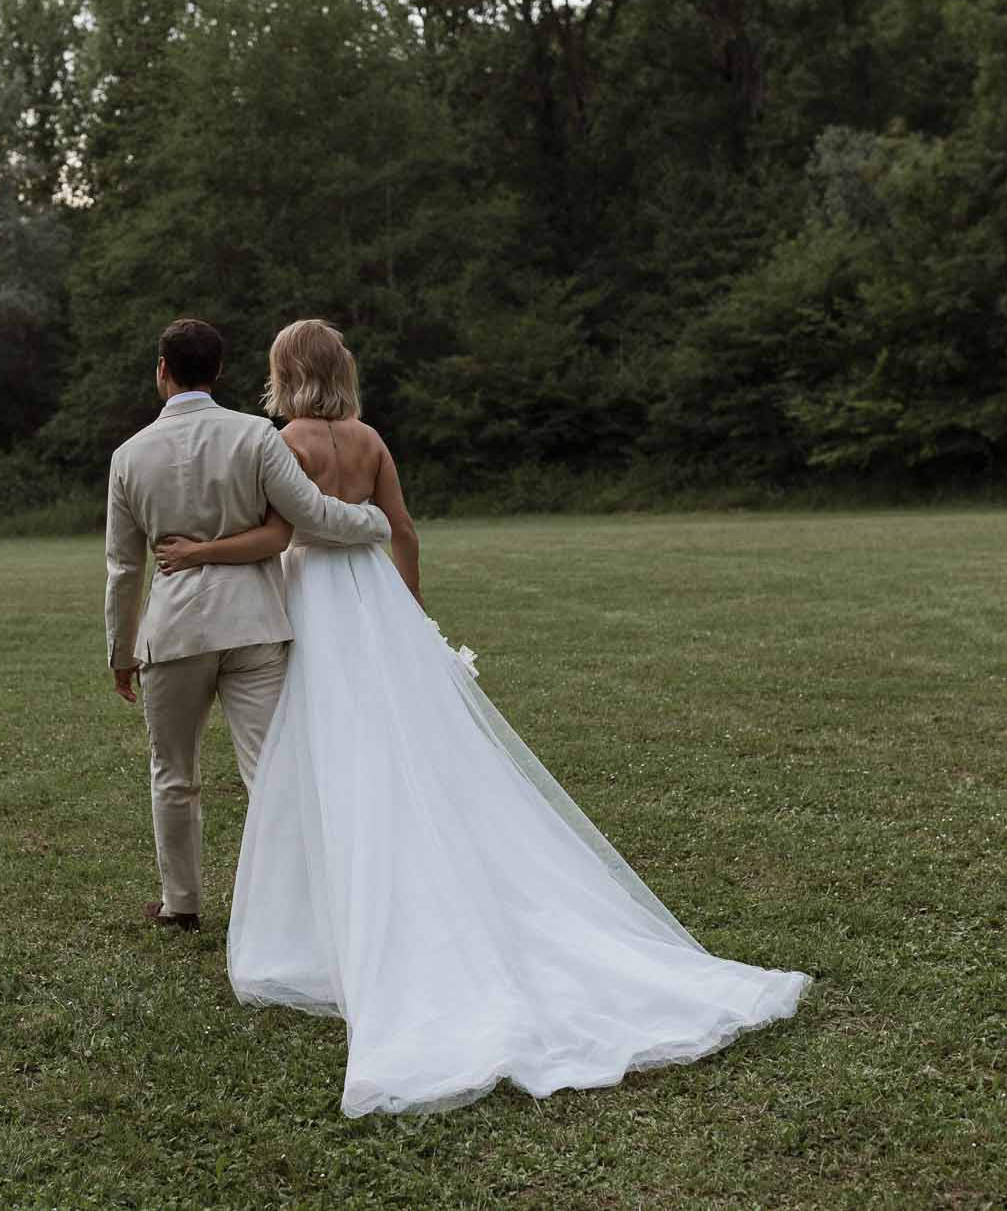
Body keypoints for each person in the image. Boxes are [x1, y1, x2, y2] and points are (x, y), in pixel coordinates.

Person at [153, 318, 810, 1116]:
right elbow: (402, 529)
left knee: (327, 759)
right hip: (376, 601)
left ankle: (331, 920)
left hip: (315, 606)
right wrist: (410, 616)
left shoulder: (283, 440)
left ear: (283, 373)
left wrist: (197, 553)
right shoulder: (370, 439)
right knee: (407, 753)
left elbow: (284, 534)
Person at [104, 318, 391, 932]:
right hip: (256, 624)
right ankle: (298, 904)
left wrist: (120, 650)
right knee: (270, 771)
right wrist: (376, 523)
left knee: (173, 774)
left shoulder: (128, 456)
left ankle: (181, 905)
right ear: (218, 372)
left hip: (174, 631)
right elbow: (312, 514)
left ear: (162, 370)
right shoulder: (256, 436)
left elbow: (125, 569)